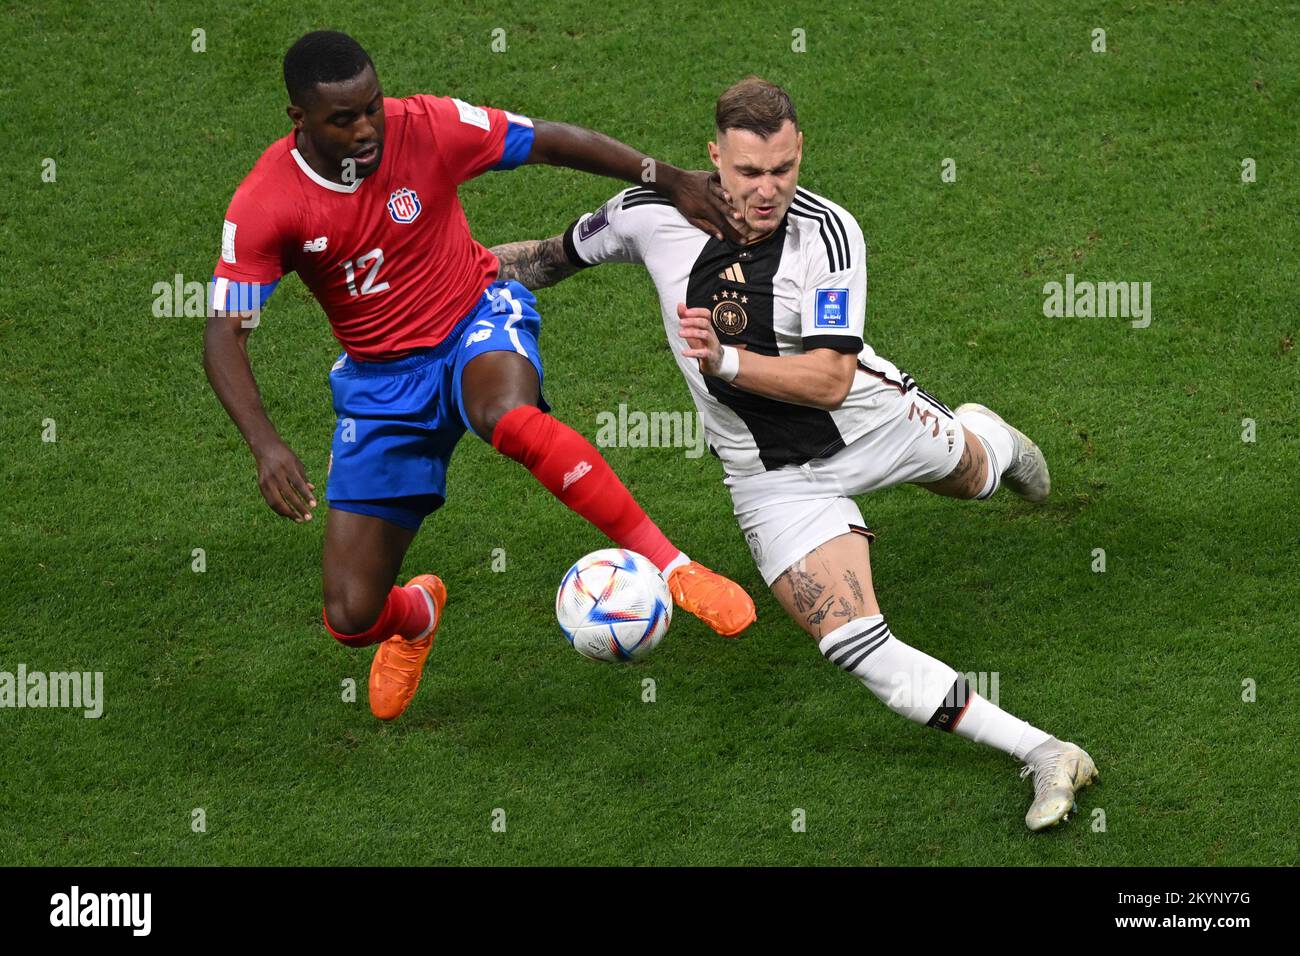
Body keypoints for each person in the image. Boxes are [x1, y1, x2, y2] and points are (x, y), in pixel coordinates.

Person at [489, 76, 1097, 830]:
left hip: (872, 422)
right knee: (850, 641)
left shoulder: (829, 233)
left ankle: (993, 439)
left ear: (799, 150)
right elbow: (543, 260)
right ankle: (1045, 751)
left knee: (975, 477)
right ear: (715, 157)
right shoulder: (651, 214)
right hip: (769, 477)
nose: (768, 188)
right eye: (748, 173)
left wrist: (728, 365)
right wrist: (439, 276)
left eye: (783, 168)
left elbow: (833, 379)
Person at [203, 31, 756, 722]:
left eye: (372, 105)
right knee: (349, 616)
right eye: (343, 119)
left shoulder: (426, 126)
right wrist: (266, 445)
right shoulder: (267, 202)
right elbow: (223, 332)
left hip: (475, 319)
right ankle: (418, 617)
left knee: (507, 418)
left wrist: (666, 177)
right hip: (381, 387)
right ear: (299, 120)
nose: (368, 127)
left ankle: (673, 568)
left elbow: (548, 139)